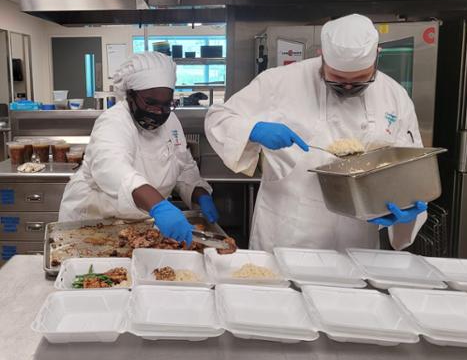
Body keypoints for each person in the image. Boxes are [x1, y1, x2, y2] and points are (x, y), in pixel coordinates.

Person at [205, 14, 427, 252]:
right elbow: (218, 118)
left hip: (356, 237)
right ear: (322, 56)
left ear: (377, 57)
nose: (349, 87)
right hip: (288, 232)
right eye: (338, 79)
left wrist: (405, 208)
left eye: (361, 79)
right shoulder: (279, 82)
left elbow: (409, 166)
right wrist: (252, 130)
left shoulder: (395, 96)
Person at [59, 52, 219, 247]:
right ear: (130, 95)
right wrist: (159, 206)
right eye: (151, 103)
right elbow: (113, 169)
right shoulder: (114, 121)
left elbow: (183, 166)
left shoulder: (171, 122)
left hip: (143, 223)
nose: (159, 112)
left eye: (167, 104)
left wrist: (199, 192)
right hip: (96, 223)